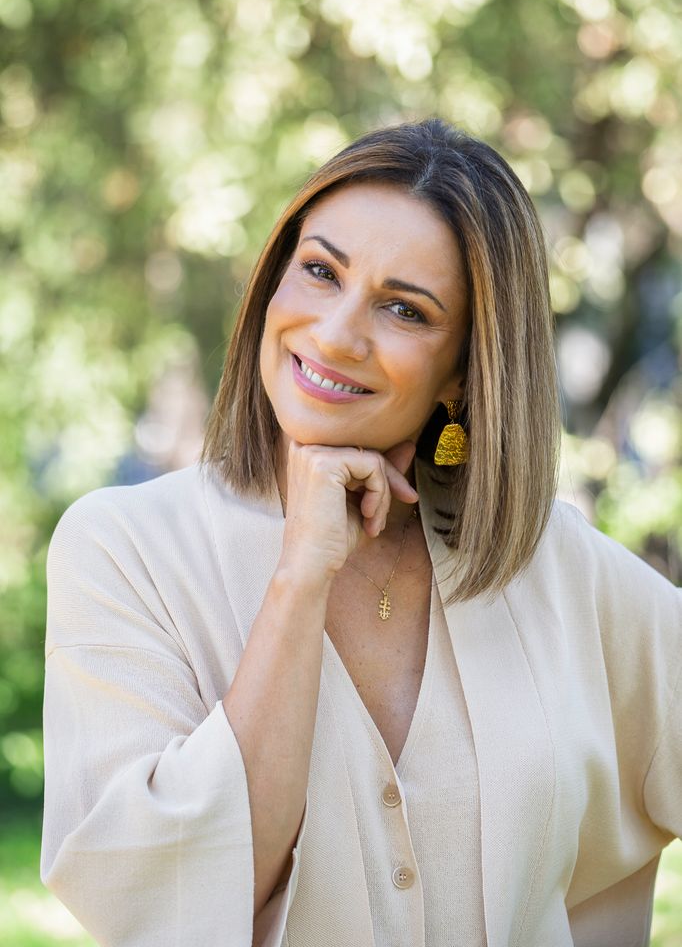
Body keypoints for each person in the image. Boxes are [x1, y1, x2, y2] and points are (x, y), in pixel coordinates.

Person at [41, 118, 681, 947]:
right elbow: (165, 898)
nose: (338, 332)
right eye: (319, 271)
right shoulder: (125, 550)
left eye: (404, 310)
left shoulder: (558, 571)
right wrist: (301, 575)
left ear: (465, 368)